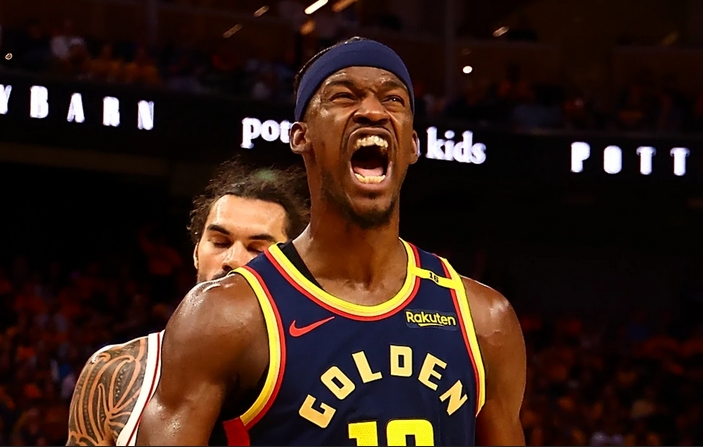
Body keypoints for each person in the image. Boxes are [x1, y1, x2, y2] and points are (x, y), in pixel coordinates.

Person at [137, 37, 526, 446]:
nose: (373, 111)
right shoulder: (227, 315)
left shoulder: (483, 319)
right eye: (344, 96)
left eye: (393, 100)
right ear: (300, 137)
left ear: (412, 145)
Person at [65, 159, 309, 446]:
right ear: (196, 253)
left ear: (291, 266)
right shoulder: (115, 371)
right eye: (220, 242)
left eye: (256, 248)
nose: (232, 259)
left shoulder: (323, 373)